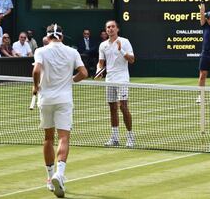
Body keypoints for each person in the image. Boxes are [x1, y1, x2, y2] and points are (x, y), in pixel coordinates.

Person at [32, 24, 87, 197]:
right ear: (61, 36)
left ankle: (50, 178)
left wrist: (35, 86)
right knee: (64, 137)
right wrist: (71, 80)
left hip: (46, 100)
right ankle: (60, 174)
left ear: (48, 37)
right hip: (64, 100)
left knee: (48, 138)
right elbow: (84, 73)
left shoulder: (40, 51)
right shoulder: (72, 52)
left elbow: (36, 70)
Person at [97, 20, 135, 147]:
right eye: (108, 27)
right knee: (112, 108)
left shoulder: (125, 41)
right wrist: (99, 70)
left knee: (123, 107)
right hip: (109, 80)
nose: (110, 29)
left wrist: (121, 50)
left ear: (117, 29)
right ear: (106, 30)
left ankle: (130, 137)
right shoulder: (103, 45)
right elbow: (101, 62)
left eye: (113, 27)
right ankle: (114, 138)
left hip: (122, 79)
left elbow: (132, 60)